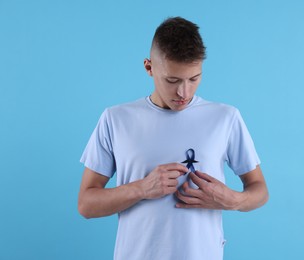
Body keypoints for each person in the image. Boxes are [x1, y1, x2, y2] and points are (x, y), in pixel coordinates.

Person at [78, 16, 269, 260]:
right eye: (172, 80)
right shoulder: (115, 119)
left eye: (194, 79)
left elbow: (260, 190)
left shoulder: (225, 118)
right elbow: (86, 204)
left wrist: (232, 200)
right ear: (149, 67)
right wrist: (141, 189)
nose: (184, 92)